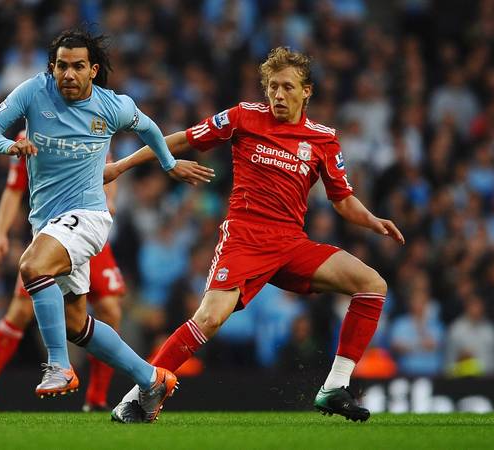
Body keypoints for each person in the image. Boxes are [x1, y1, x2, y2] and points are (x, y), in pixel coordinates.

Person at [106, 47, 404, 423]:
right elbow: (184, 138)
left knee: (372, 285)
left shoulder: (323, 139)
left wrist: (372, 219)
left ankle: (334, 387)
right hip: (245, 238)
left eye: (287, 88)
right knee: (210, 318)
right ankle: (139, 396)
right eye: (273, 87)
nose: (278, 95)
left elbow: (342, 200)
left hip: (291, 243)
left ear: (307, 91)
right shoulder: (244, 117)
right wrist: (122, 165)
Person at [0, 28, 213, 422]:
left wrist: (169, 164)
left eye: (77, 66)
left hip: (89, 216)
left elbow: (149, 128)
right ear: (51, 68)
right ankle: (151, 377)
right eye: (61, 66)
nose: (68, 74)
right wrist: (10, 145)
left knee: (32, 267)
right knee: (74, 323)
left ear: (93, 69)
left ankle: (59, 367)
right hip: (47, 221)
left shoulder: (112, 106)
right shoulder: (34, 92)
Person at [0, 132, 128, 412]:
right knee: (20, 311)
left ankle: (97, 398)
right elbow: (15, 187)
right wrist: (0, 233)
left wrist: (107, 202)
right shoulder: (28, 137)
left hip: (86, 229)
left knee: (110, 310)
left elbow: (109, 172)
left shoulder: (87, 126)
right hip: (51, 233)